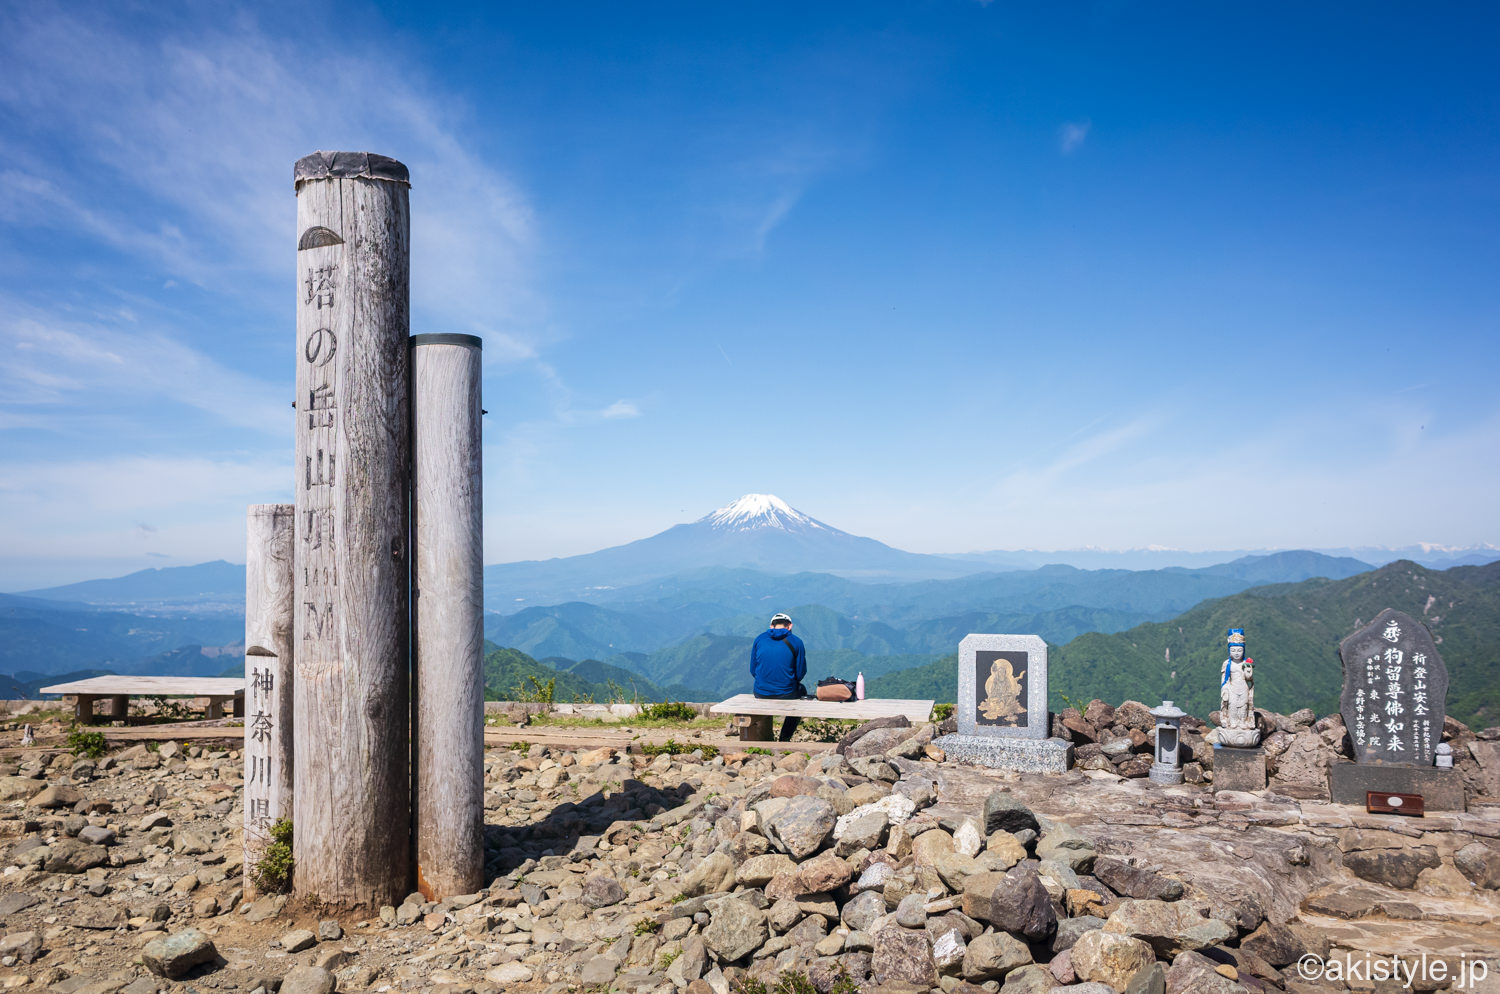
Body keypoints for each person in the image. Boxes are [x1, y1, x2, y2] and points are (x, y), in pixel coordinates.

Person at [750, 612, 807, 742]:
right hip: (787, 693)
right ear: (790, 626)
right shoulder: (797, 642)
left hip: (761, 692)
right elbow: (800, 673)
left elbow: (753, 670)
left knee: (761, 685)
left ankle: (763, 737)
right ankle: (784, 738)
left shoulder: (759, 639)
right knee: (802, 690)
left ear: (771, 626)